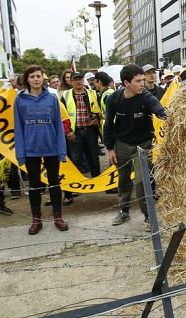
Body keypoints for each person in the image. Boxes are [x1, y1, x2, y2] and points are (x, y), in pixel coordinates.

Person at [104, 64, 167, 228]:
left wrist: (172, 117)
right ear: (126, 83)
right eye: (138, 81)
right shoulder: (114, 99)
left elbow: (161, 111)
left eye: (143, 80)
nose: (142, 84)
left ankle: (148, 217)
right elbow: (108, 125)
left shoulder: (145, 96)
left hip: (143, 145)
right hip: (122, 144)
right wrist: (110, 149)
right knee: (123, 180)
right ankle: (124, 211)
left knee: (142, 181)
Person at [14, 65, 69, 235]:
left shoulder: (52, 98)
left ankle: (58, 217)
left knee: (54, 184)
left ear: (42, 78)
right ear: (27, 79)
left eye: (38, 76)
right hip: (31, 150)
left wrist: (61, 150)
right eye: (32, 77)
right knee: (35, 186)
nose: (36, 79)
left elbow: (59, 126)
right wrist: (20, 153)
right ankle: (36, 219)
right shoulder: (20, 100)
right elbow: (18, 127)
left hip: (51, 148)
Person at [61, 72, 101, 178]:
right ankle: (77, 183)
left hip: (90, 130)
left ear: (83, 80)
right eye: (76, 79)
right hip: (75, 132)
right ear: (72, 82)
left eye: (80, 79)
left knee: (93, 157)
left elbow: (99, 110)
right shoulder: (66, 95)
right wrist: (68, 131)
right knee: (75, 158)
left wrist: (97, 119)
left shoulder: (92, 93)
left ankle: (97, 180)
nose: (78, 81)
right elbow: (62, 115)